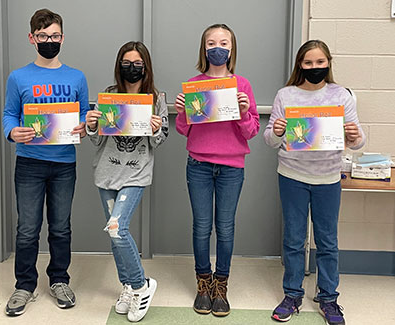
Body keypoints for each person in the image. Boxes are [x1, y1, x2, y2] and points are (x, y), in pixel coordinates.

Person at [264, 40, 365, 325]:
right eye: (308, 63)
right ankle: (292, 294)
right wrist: (278, 131)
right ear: (300, 65)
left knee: (328, 241)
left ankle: (329, 298)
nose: (314, 67)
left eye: (320, 62)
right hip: (292, 177)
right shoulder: (286, 94)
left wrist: (355, 136)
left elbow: (357, 142)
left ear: (328, 63)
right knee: (294, 240)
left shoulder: (341, 95)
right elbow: (270, 140)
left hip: (329, 178)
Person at [2, 8, 89, 316]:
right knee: (27, 228)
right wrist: (13, 131)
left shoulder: (76, 77)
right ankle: (24, 285)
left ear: (62, 38)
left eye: (54, 36)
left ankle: (59, 279)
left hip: (64, 164)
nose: (49, 41)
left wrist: (83, 124)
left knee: (61, 227)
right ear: (32, 38)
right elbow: (9, 115)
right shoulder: (18, 77)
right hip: (29, 163)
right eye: (43, 36)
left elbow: (82, 115)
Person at [174, 24, 260, 317]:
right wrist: (184, 111)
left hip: (231, 167)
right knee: (201, 226)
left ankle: (221, 285)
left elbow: (250, 132)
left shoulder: (242, 84)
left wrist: (246, 111)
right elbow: (184, 130)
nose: (217, 47)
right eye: (211, 42)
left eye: (223, 42)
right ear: (204, 48)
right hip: (198, 164)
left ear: (232, 48)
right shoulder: (194, 84)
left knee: (225, 228)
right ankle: (203, 282)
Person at [85, 41, 168, 322]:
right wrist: (93, 124)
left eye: (137, 63)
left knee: (118, 228)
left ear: (146, 67)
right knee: (113, 234)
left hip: (135, 173)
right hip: (106, 173)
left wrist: (155, 128)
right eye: (126, 63)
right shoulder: (109, 95)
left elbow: (159, 141)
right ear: (119, 66)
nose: (131, 68)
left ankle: (142, 285)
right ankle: (129, 287)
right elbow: (96, 139)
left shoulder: (156, 98)